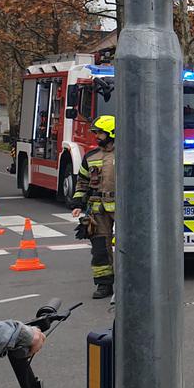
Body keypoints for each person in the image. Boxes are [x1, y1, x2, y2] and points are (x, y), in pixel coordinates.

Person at [72, 115, 116, 299]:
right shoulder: (91, 157)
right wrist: (78, 203)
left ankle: (132, 282)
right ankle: (104, 285)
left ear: (112, 133)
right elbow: (82, 181)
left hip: (127, 209)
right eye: (96, 132)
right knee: (99, 249)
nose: (96, 136)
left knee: (132, 248)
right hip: (97, 209)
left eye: (100, 132)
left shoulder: (130, 153)